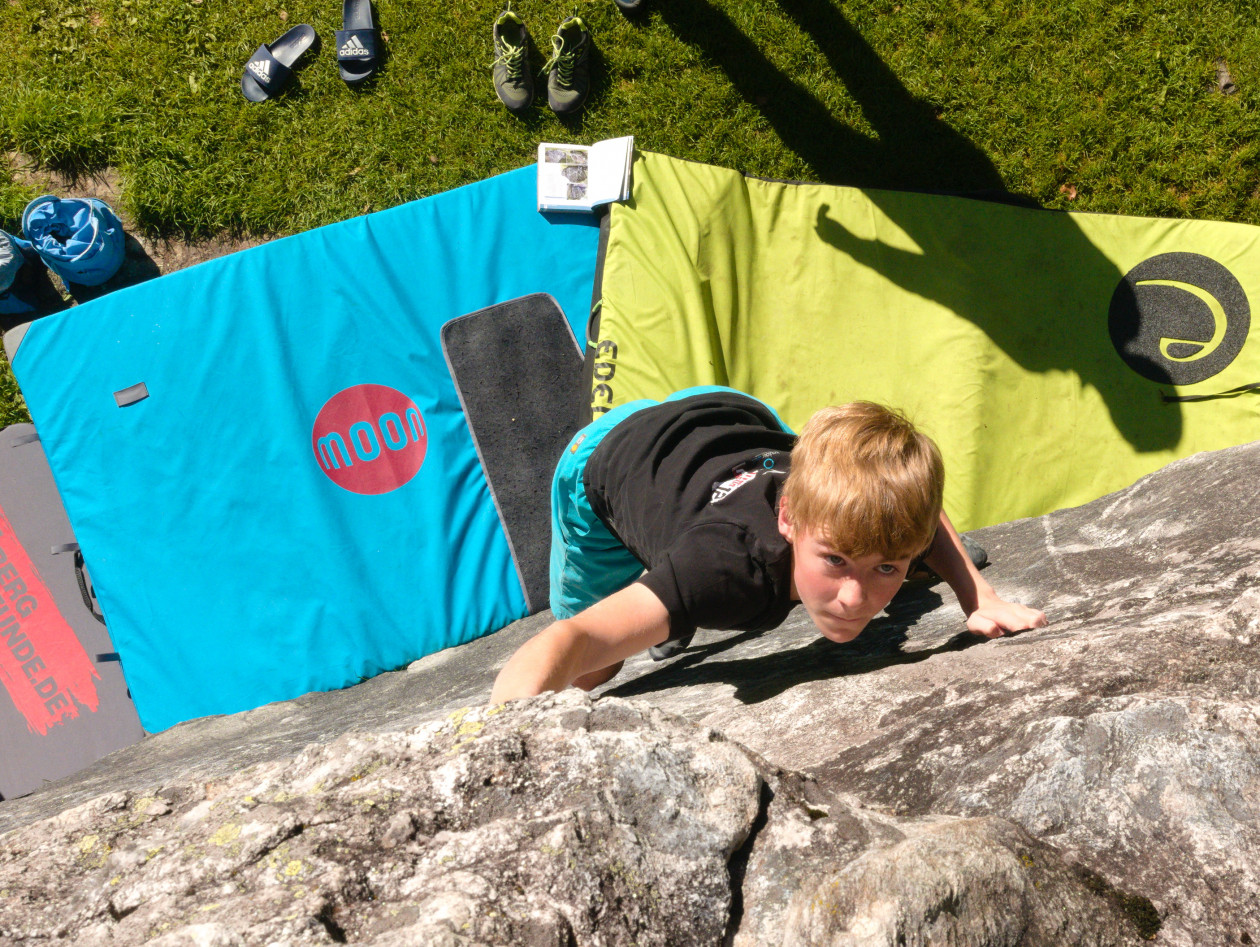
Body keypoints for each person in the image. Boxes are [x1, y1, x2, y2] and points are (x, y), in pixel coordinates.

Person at [490, 387, 1046, 704]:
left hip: (728, 412)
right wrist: (506, 741)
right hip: (608, 455)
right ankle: (664, 604)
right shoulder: (728, 568)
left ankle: (667, 605)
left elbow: (919, 515)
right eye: (835, 561)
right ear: (788, 517)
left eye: (886, 568)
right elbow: (574, 638)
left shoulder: (846, 514)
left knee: (879, 531)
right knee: (595, 675)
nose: (853, 598)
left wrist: (980, 596)